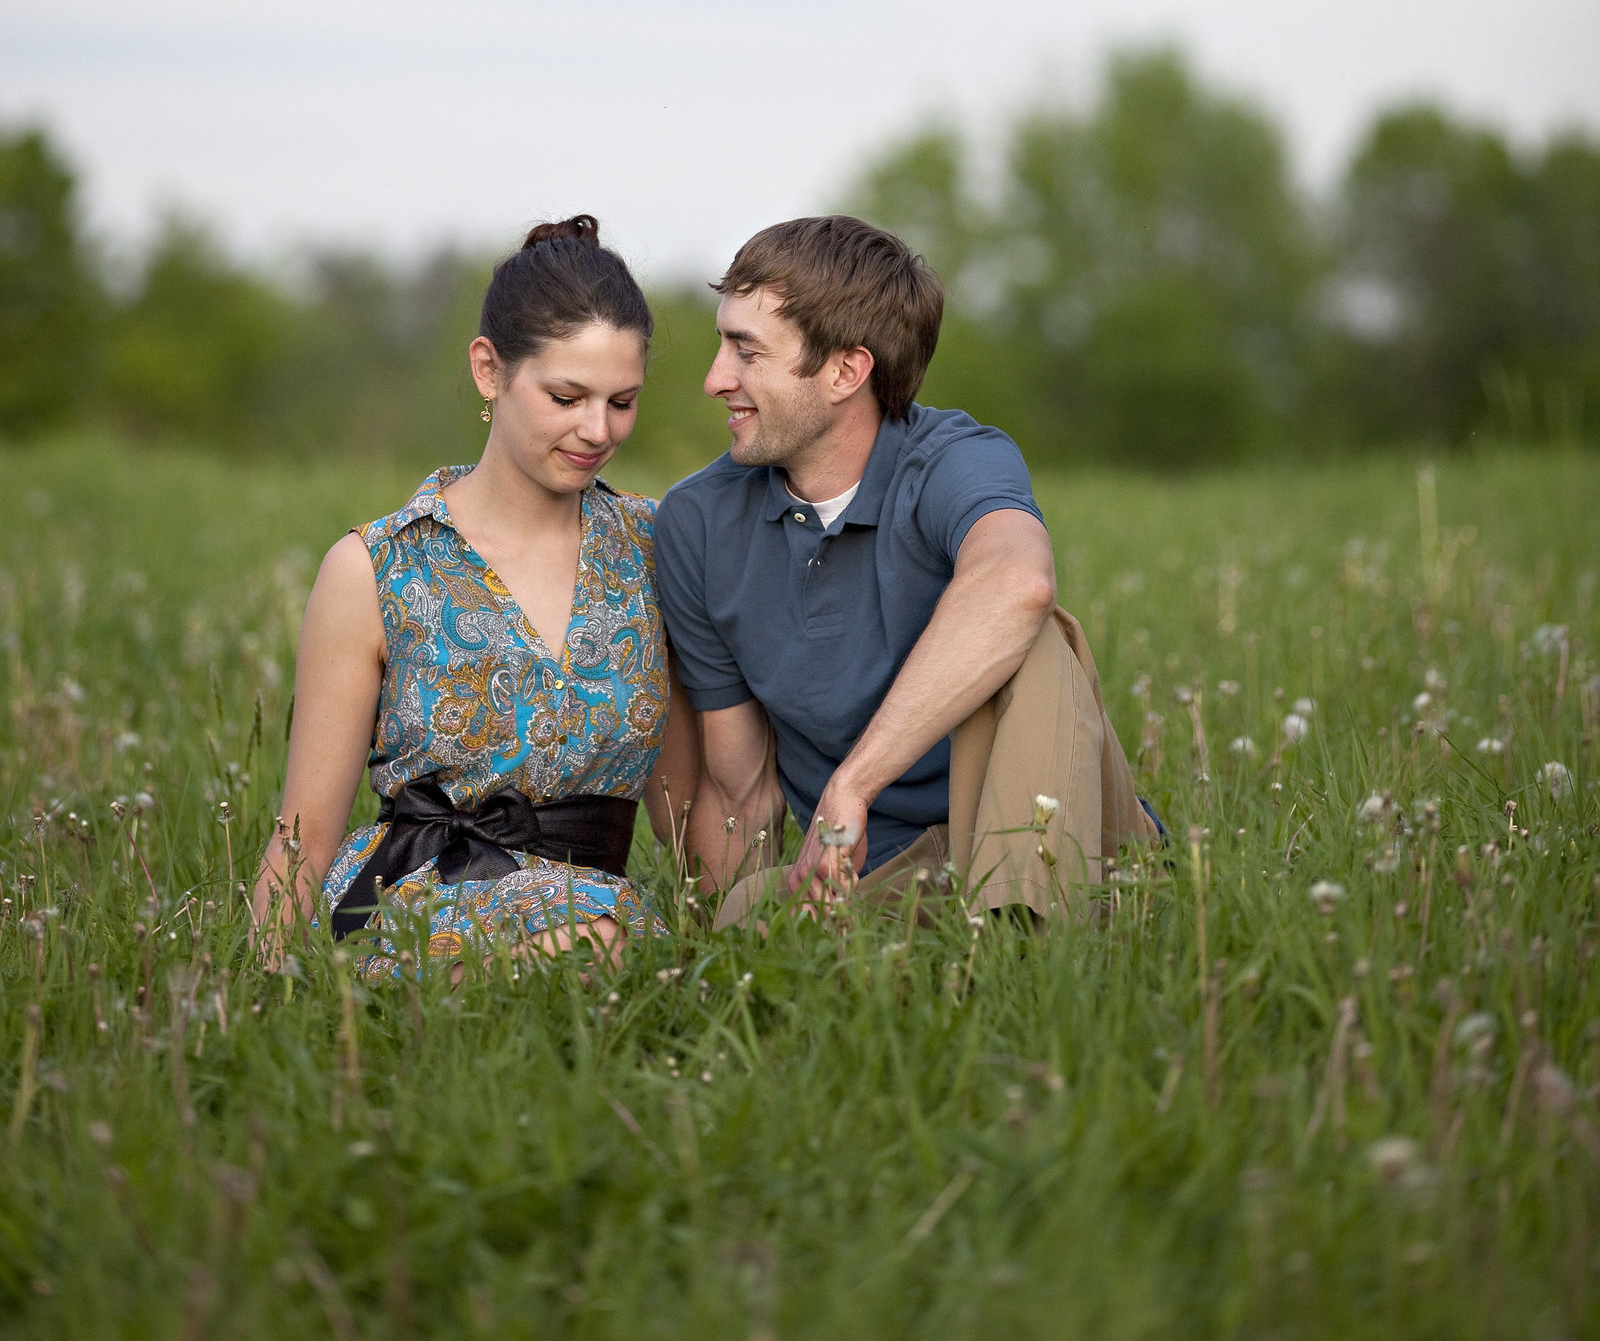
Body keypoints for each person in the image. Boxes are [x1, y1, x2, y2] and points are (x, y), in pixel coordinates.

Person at [652, 216, 1157, 924]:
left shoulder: (955, 459)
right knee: (747, 918)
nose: (715, 379)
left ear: (845, 372)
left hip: (1057, 837)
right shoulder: (696, 524)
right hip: (884, 870)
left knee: (1035, 635)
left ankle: (1034, 949)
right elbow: (739, 793)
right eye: (721, 344)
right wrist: (707, 954)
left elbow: (1020, 584)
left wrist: (850, 786)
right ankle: (970, 951)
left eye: (746, 351)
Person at [252, 216, 697, 973]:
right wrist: (252, 992)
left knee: (596, 944)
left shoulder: (659, 549)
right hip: (406, 899)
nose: (598, 429)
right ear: (490, 370)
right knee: (583, 949)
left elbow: (686, 821)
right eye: (566, 396)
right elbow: (305, 836)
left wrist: (740, 933)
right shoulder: (376, 568)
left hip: (599, 921)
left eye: (622, 401)